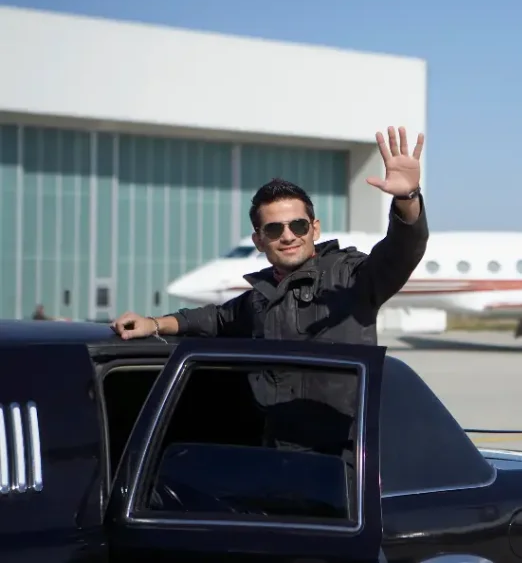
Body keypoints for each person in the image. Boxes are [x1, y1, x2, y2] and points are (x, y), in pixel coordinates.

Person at [109, 125, 428, 454]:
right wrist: (154, 323)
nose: (288, 236)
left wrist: (407, 199)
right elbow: (214, 319)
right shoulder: (260, 297)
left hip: (341, 459)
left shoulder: (351, 277)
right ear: (259, 240)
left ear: (314, 229)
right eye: (274, 229)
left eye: (298, 225)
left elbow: (401, 250)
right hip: (275, 456)